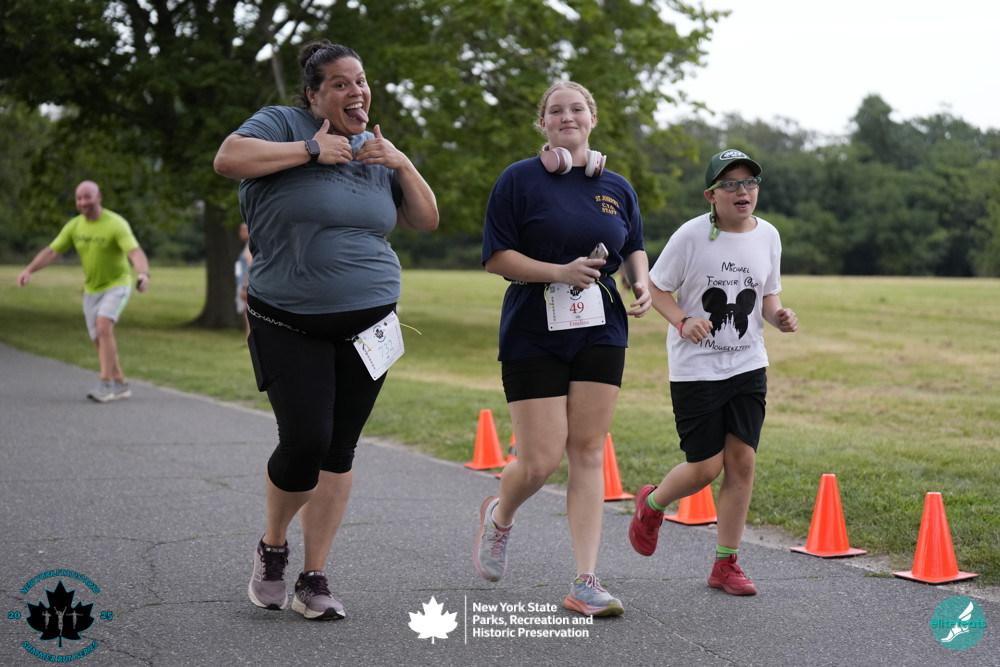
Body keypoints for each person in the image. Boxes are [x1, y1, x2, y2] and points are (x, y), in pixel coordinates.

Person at [213, 39, 438, 621]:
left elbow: (425, 219)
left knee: (338, 450)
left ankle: (313, 577)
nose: (355, 92)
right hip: (288, 319)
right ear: (313, 96)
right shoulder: (282, 125)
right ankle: (273, 547)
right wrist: (311, 150)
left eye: (360, 81)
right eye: (340, 84)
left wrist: (402, 163)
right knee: (306, 440)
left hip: (370, 325)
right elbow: (228, 159)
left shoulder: (375, 148)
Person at [476, 81, 651, 617]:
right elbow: (496, 256)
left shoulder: (616, 186)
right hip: (533, 326)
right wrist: (559, 271)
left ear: (592, 119)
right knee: (539, 461)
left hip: (601, 327)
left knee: (589, 450)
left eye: (577, 109)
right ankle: (500, 516)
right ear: (543, 123)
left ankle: (585, 581)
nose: (567, 116)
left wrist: (640, 282)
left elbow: (634, 245)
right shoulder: (518, 179)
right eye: (556, 110)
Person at [628, 149, 798, 595]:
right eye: (731, 184)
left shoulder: (769, 236)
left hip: (748, 363)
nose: (743, 191)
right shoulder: (691, 236)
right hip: (697, 368)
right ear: (711, 195)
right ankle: (653, 503)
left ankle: (726, 563)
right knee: (705, 468)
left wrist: (778, 316)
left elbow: (768, 295)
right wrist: (683, 321)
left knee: (742, 462)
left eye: (750, 182)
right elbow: (657, 289)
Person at [17, 180, 150, 403]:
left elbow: (134, 252)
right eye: (78, 198)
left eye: (87, 196)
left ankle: (105, 384)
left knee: (103, 326)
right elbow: (52, 252)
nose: (82, 202)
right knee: (99, 338)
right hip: (91, 289)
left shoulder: (116, 223)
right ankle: (120, 383)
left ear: (99, 197)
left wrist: (143, 273)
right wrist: (29, 270)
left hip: (117, 284)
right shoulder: (74, 226)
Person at [234, 221, 252, 339]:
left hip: (245, 286)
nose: (241, 233)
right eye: (240, 230)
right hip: (242, 284)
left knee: (247, 314)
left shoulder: (249, 248)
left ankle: (250, 340)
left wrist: (245, 287)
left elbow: (249, 268)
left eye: (244, 230)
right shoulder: (246, 247)